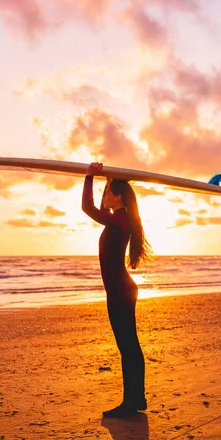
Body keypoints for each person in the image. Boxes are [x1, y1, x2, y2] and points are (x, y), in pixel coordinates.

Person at [82, 162, 152, 418]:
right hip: (121, 290)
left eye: (108, 191)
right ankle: (136, 399)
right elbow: (98, 207)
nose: (104, 196)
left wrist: (89, 177)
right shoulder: (118, 219)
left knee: (128, 346)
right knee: (129, 346)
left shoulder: (119, 220)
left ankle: (131, 402)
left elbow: (87, 207)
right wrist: (106, 179)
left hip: (120, 292)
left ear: (119, 197)